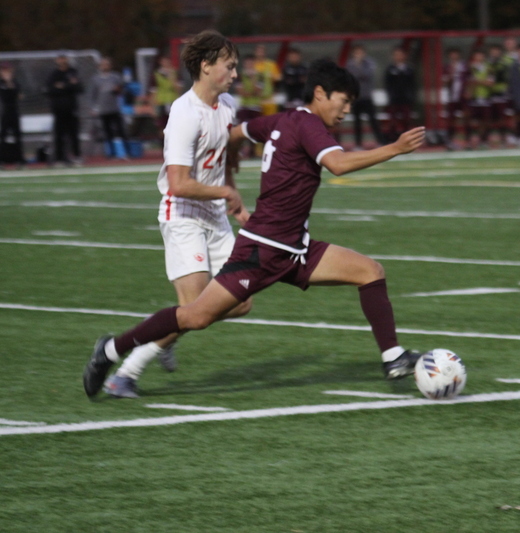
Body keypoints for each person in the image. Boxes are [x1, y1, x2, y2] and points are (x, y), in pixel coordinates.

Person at [83, 58, 427, 398]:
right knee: (195, 316)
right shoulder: (308, 124)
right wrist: (395, 148)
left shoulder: (283, 119)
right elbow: (337, 164)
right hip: (262, 250)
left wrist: (231, 157)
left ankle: (393, 358)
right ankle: (111, 350)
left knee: (370, 272)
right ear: (320, 93)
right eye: (344, 100)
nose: (347, 110)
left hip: (295, 249)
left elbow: (237, 133)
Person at [100, 30, 252, 399]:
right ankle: (124, 374)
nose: (235, 74)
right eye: (229, 66)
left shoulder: (227, 104)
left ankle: (164, 330)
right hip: (182, 213)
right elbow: (179, 184)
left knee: (241, 302)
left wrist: (235, 201)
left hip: (215, 215)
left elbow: (224, 157)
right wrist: (225, 192)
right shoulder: (184, 114)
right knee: (194, 310)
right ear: (206, 66)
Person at [45, 54, 83, 166]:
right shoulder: (54, 74)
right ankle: (59, 158)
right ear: (57, 60)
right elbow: (49, 90)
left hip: (72, 108)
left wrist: (63, 86)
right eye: (60, 58)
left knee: (74, 134)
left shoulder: (73, 72)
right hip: (58, 109)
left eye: (64, 58)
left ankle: (77, 156)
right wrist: (68, 85)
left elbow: (79, 87)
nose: (62, 61)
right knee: (59, 135)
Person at [90, 56, 130, 158]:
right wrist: (94, 108)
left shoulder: (115, 77)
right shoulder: (96, 79)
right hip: (103, 109)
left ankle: (127, 152)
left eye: (106, 64)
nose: (104, 66)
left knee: (121, 130)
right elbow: (93, 95)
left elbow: (124, 91)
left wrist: (118, 90)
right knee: (107, 132)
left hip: (115, 108)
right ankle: (111, 153)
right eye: (103, 64)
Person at [346, 45, 385, 148]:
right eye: (356, 52)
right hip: (356, 97)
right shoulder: (350, 64)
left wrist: (358, 68)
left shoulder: (370, 63)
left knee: (373, 120)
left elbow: (368, 74)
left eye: (361, 52)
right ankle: (358, 144)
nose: (359, 55)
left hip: (367, 97)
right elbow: (351, 77)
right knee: (357, 121)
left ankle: (380, 141)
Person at [384, 47, 416, 142]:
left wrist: (411, 96)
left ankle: (407, 139)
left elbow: (413, 84)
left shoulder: (409, 69)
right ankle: (392, 139)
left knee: (406, 120)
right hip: (394, 99)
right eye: (396, 55)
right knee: (393, 120)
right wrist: (390, 95)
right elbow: (387, 84)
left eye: (400, 54)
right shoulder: (390, 69)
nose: (398, 57)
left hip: (406, 99)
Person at [441, 48, 470, 151]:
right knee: (451, 119)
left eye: (455, 54)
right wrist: (450, 75)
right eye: (452, 54)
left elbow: (470, 79)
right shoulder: (447, 67)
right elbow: (444, 81)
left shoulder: (464, 66)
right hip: (451, 97)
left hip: (463, 96)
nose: (454, 56)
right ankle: (450, 141)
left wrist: (468, 91)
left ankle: (467, 140)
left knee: (466, 117)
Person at [466, 49, 494, 149]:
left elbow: (490, 83)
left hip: (485, 97)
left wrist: (477, 81)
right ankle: (471, 141)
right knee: (471, 120)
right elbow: (468, 82)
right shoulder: (470, 68)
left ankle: (483, 140)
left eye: (480, 56)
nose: (478, 58)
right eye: (476, 56)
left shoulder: (489, 68)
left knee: (485, 120)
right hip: (473, 98)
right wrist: (481, 82)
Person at [0, 62, 25, 168]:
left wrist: (9, 82)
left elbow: (18, 95)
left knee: (17, 136)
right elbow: (5, 96)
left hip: (14, 112)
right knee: (3, 136)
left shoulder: (15, 82)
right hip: (4, 112)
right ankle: (2, 160)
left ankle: (19, 160)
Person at [150, 55, 182, 135]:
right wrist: (152, 106)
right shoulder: (156, 74)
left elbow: (179, 89)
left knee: (174, 124)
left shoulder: (175, 73)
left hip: (173, 101)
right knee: (162, 125)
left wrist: (172, 77)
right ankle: (163, 140)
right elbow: (153, 91)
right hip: (161, 102)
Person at [253, 44, 282, 116]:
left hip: (269, 97)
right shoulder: (252, 64)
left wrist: (272, 76)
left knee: (271, 118)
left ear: (265, 53)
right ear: (255, 52)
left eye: (262, 51)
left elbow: (279, 78)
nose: (260, 53)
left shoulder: (271, 64)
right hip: (254, 98)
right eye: (258, 51)